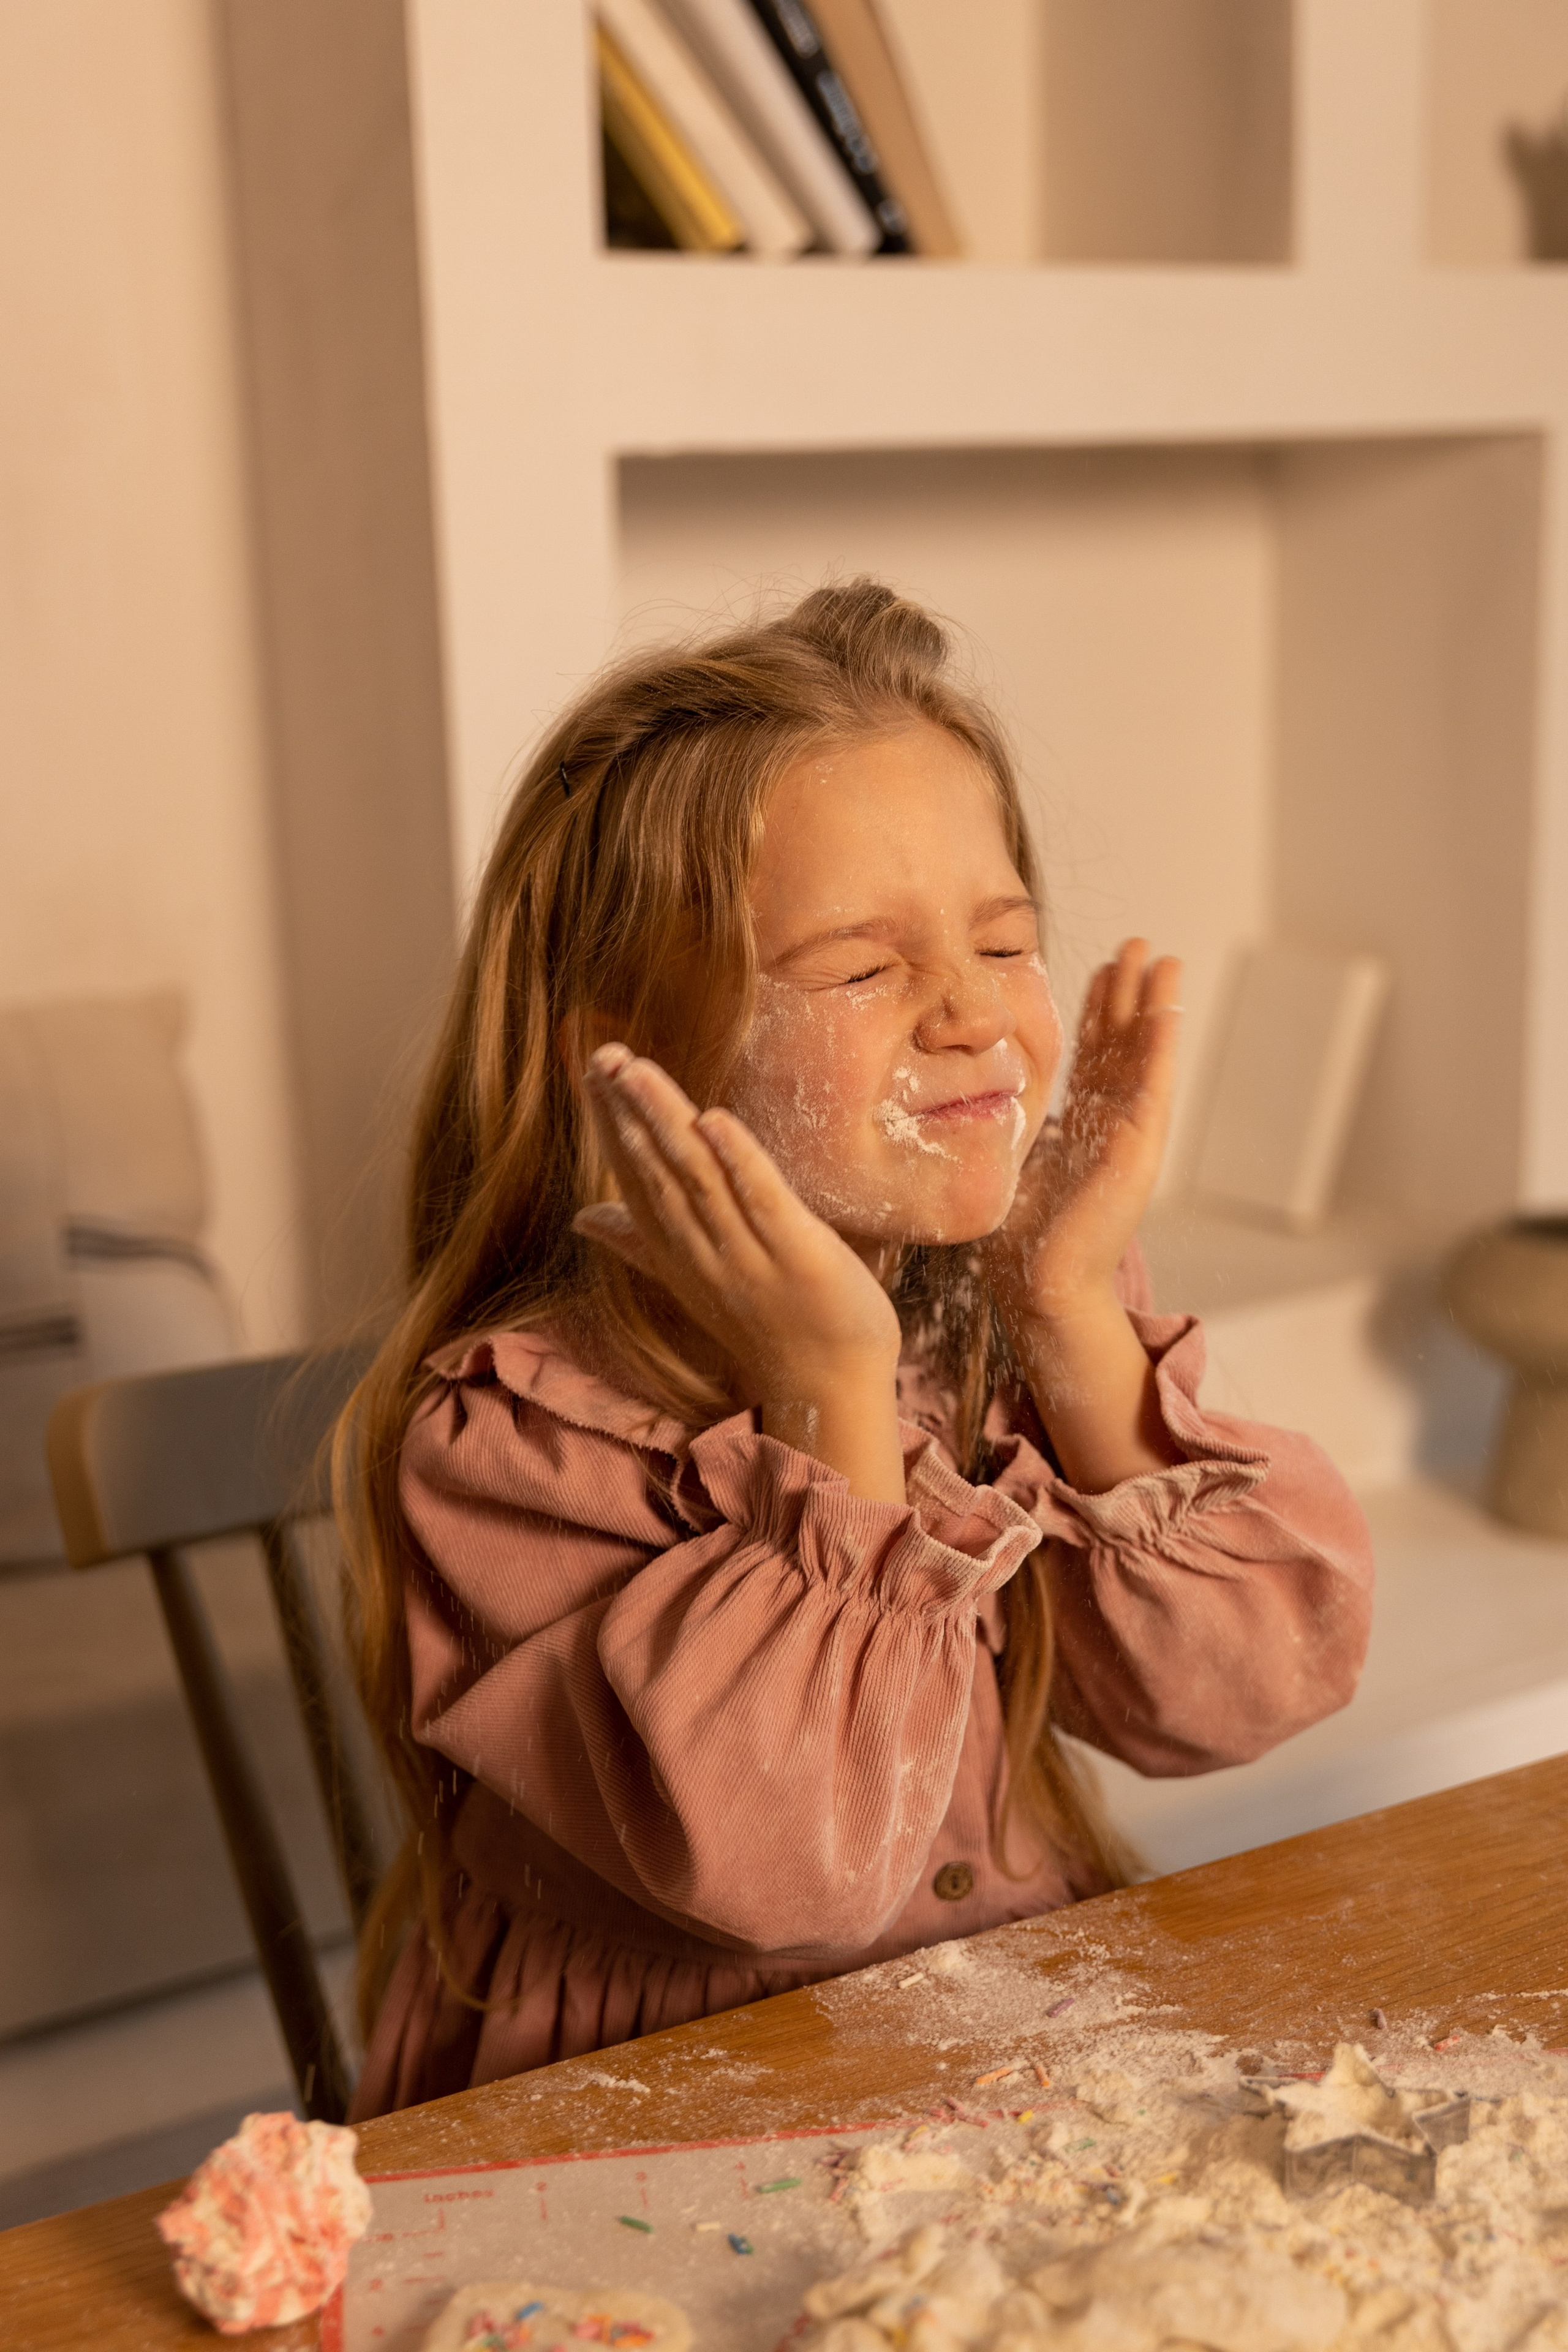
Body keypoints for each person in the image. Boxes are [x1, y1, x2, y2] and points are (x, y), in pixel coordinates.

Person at [340, 579, 1373, 2119]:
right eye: (860, 968)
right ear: (626, 1054)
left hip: (998, 2057)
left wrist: (1071, 1309)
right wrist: (827, 1392)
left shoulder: (987, 1330)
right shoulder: (513, 1442)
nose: (968, 1015)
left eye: (1003, 943)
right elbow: (796, 1869)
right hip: (652, 2129)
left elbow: (1245, 1694)